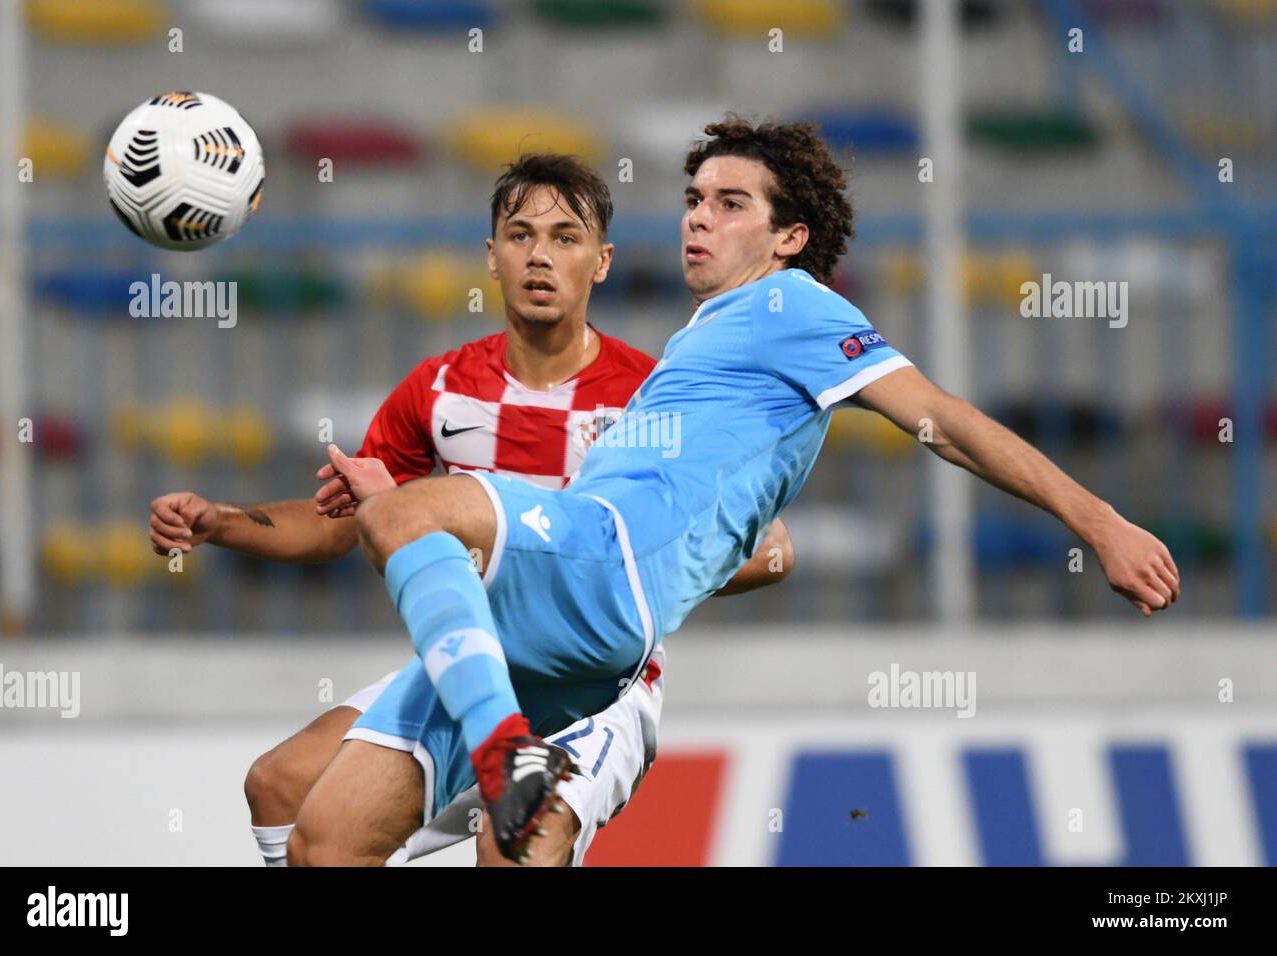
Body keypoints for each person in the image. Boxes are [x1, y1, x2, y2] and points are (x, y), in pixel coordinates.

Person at [290, 117, 1179, 866]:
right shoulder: (702, 341)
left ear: (788, 238)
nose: (698, 220)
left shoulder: (794, 306)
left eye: (730, 204)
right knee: (323, 839)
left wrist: (1099, 523)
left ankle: (503, 752)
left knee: (408, 510)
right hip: (539, 623)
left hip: (601, 568)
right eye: (691, 201)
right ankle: (506, 749)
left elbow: (940, 418)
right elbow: (720, 512)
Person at [147, 153, 792, 867]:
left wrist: (604, 555)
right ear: (492, 257)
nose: (539, 257)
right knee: (281, 788)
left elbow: (769, 548)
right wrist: (222, 522)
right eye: (520, 236)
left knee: (510, 844)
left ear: (601, 262)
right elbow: (341, 524)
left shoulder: (652, 396)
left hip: (599, 685)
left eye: (565, 238)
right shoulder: (442, 387)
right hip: (474, 670)